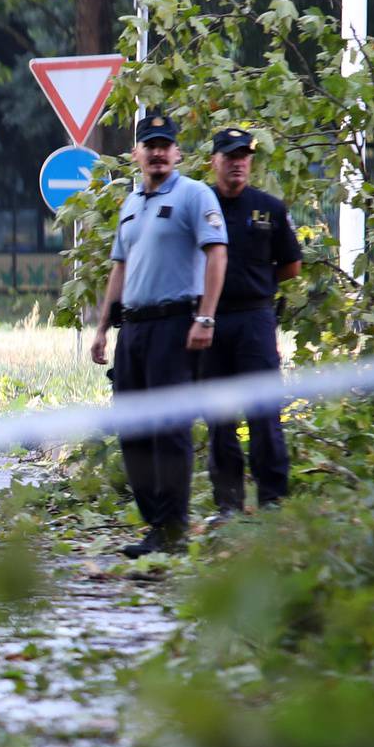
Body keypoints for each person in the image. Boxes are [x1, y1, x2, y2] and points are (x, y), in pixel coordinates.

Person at [89, 112, 228, 558]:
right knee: (132, 429)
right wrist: (102, 329)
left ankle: (172, 528)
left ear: (177, 152)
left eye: (165, 144)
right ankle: (155, 525)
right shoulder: (131, 205)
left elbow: (217, 255)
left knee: (169, 430)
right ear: (137, 154)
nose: (157, 152)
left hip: (175, 326)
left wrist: (205, 317)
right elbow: (119, 269)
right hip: (134, 329)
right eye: (149, 144)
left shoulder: (194, 195)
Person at [204, 127, 300, 519]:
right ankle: (228, 503)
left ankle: (272, 500)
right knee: (219, 418)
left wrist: (257, 287)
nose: (238, 162)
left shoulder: (269, 208)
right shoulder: (199, 203)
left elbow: (291, 265)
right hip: (210, 320)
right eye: (230, 156)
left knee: (263, 412)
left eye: (244, 156)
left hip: (255, 319)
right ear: (214, 161)